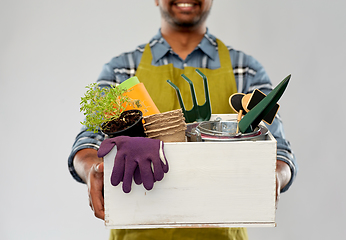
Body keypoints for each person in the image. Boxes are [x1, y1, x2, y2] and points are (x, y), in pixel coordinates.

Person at [68, 1, 298, 239]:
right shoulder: (122, 70)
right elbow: (89, 141)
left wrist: (274, 175)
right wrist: (92, 168)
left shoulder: (246, 70)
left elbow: (279, 150)